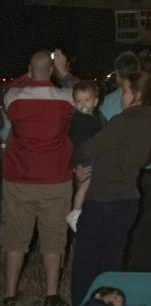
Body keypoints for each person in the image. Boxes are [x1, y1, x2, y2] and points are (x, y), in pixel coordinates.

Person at [71, 71, 151, 306]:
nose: (121, 96)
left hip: (103, 199)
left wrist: (74, 163)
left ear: (135, 94)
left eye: (124, 91)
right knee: (111, 264)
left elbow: (91, 147)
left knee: (86, 265)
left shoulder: (124, 121)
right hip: (127, 202)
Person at [2, 49, 76, 306]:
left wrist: (28, 74)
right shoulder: (65, 99)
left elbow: (9, 89)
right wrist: (64, 73)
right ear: (53, 71)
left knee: (15, 238)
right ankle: (52, 292)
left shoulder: (15, 99)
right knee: (54, 237)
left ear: (30, 70)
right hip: (55, 179)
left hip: (18, 178)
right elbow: (86, 97)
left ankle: (10, 293)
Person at [99, 52, 151, 270]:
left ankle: (118, 271)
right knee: (144, 228)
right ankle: (141, 273)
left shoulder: (108, 103)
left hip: (122, 175)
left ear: (117, 74)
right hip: (146, 174)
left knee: (119, 227)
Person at [66, 80, 104, 232]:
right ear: (74, 103)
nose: (83, 104)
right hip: (86, 157)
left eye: (87, 100)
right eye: (79, 101)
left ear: (95, 101)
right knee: (85, 185)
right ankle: (75, 212)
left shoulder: (92, 118)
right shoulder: (83, 120)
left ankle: (78, 212)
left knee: (86, 187)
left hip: (87, 156)